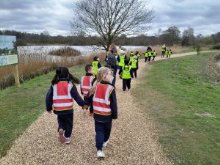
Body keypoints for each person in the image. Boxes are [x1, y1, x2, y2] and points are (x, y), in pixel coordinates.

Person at [46, 67, 88, 144]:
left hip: (58, 108)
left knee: (61, 120)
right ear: (67, 74)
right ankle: (67, 137)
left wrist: (49, 107)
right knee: (69, 123)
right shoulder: (70, 84)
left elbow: (48, 96)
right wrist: (83, 104)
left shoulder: (54, 85)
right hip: (68, 108)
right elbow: (76, 96)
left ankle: (61, 128)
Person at [87, 67, 118, 158]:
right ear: (104, 75)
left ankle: (99, 150)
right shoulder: (111, 88)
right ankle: (103, 143)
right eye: (109, 74)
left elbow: (92, 100)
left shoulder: (95, 86)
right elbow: (113, 103)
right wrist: (115, 115)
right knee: (107, 131)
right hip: (107, 116)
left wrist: (91, 111)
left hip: (97, 115)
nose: (111, 76)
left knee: (99, 131)